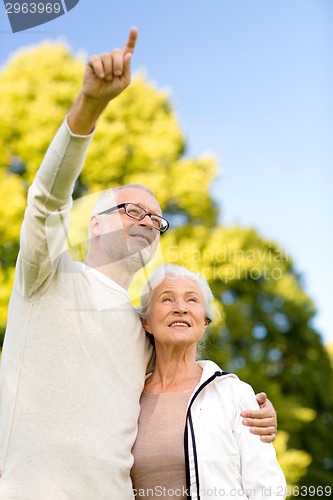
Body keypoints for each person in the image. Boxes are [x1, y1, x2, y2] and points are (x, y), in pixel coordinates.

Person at [0, 28, 277, 499]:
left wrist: (250, 412)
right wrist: (89, 106)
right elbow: (47, 200)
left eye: (157, 218)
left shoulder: (143, 330)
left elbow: (186, 383)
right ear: (95, 225)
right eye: (133, 210)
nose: (149, 221)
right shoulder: (45, 275)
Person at [131, 264, 286, 500]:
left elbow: (267, 490)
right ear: (146, 321)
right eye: (167, 299)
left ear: (204, 323)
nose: (180, 308)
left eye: (191, 300)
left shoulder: (235, 394)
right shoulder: (128, 398)